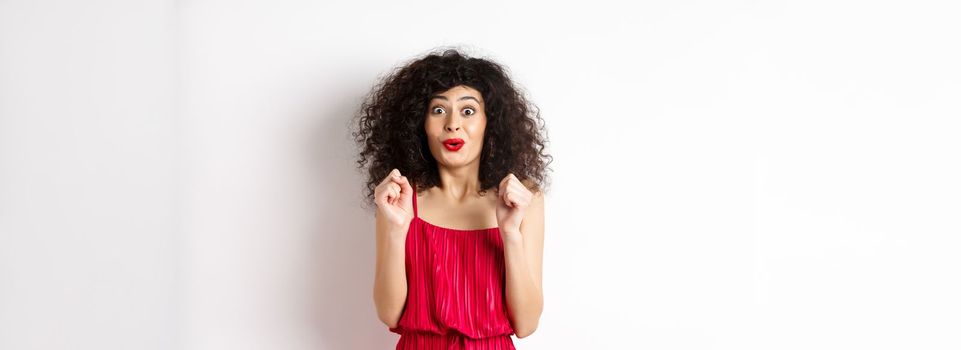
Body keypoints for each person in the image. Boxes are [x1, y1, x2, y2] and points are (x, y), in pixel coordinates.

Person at [352, 47, 552, 349]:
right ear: (420, 124)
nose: (452, 124)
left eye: (468, 111)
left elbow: (526, 325)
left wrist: (510, 233)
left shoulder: (524, 199)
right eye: (438, 110)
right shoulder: (401, 199)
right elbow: (390, 315)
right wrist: (396, 228)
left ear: (490, 122)